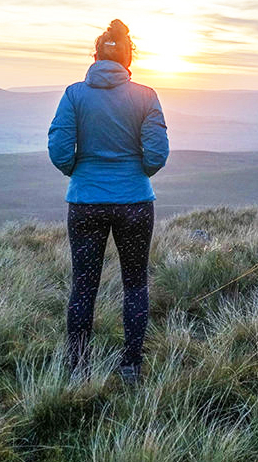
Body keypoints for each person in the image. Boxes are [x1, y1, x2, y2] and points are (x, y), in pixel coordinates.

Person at [47, 19, 169, 385]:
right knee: (135, 284)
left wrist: (79, 172)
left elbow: (58, 148)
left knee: (83, 285)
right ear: (128, 56)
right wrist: (138, 171)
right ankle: (131, 365)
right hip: (134, 202)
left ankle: (78, 369)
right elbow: (158, 153)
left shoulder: (74, 95)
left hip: (86, 202)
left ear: (96, 55)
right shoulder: (145, 96)